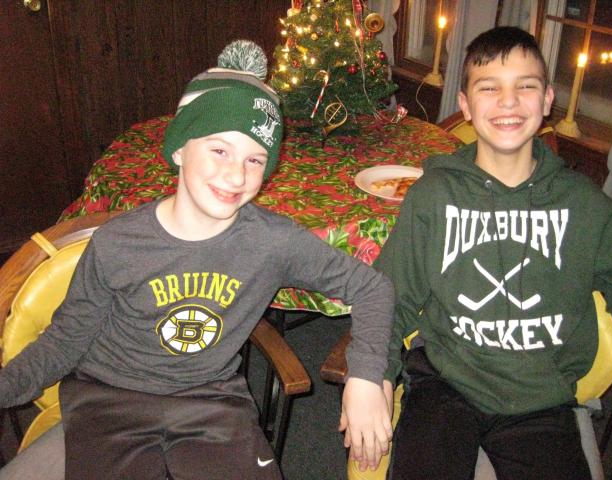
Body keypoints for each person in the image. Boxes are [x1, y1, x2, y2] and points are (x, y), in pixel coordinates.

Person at [0, 40, 393, 479]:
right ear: (180, 149)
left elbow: (372, 287)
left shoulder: (273, 241)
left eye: (255, 159)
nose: (236, 174)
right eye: (219, 150)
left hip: (211, 400)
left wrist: (365, 376)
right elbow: (63, 342)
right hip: (110, 400)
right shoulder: (117, 243)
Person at [374, 26, 612, 479]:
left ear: (547, 99)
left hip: (542, 398)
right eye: (489, 88)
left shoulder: (583, 204)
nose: (509, 102)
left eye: (525, 86)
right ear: (465, 105)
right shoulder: (433, 196)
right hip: (445, 383)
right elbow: (388, 295)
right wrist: (374, 374)